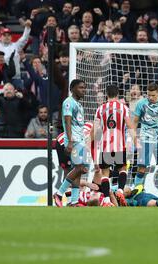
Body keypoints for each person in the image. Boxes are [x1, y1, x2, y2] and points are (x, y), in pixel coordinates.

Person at [94, 84, 134, 205]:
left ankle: (106, 199)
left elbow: (96, 129)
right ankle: (120, 190)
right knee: (123, 168)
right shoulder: (123, 108)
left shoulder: (100, 109)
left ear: (106, 95)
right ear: (117, 95)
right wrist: (132, 141)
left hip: (105, 145)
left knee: (105, 173)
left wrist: (94, 145)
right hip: (119, 145)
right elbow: (129, 125)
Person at [53, 79, 90, 207]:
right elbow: (67, 122)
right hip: (73, 141)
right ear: (72, 89)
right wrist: (69, 142)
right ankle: (59, 194)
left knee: (79, 170)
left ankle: (73, 201)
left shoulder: (79, 105)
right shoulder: (68, 103)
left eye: (84, 88)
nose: (83, 90)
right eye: (80, 87)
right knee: (79, 168)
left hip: (80, 140)